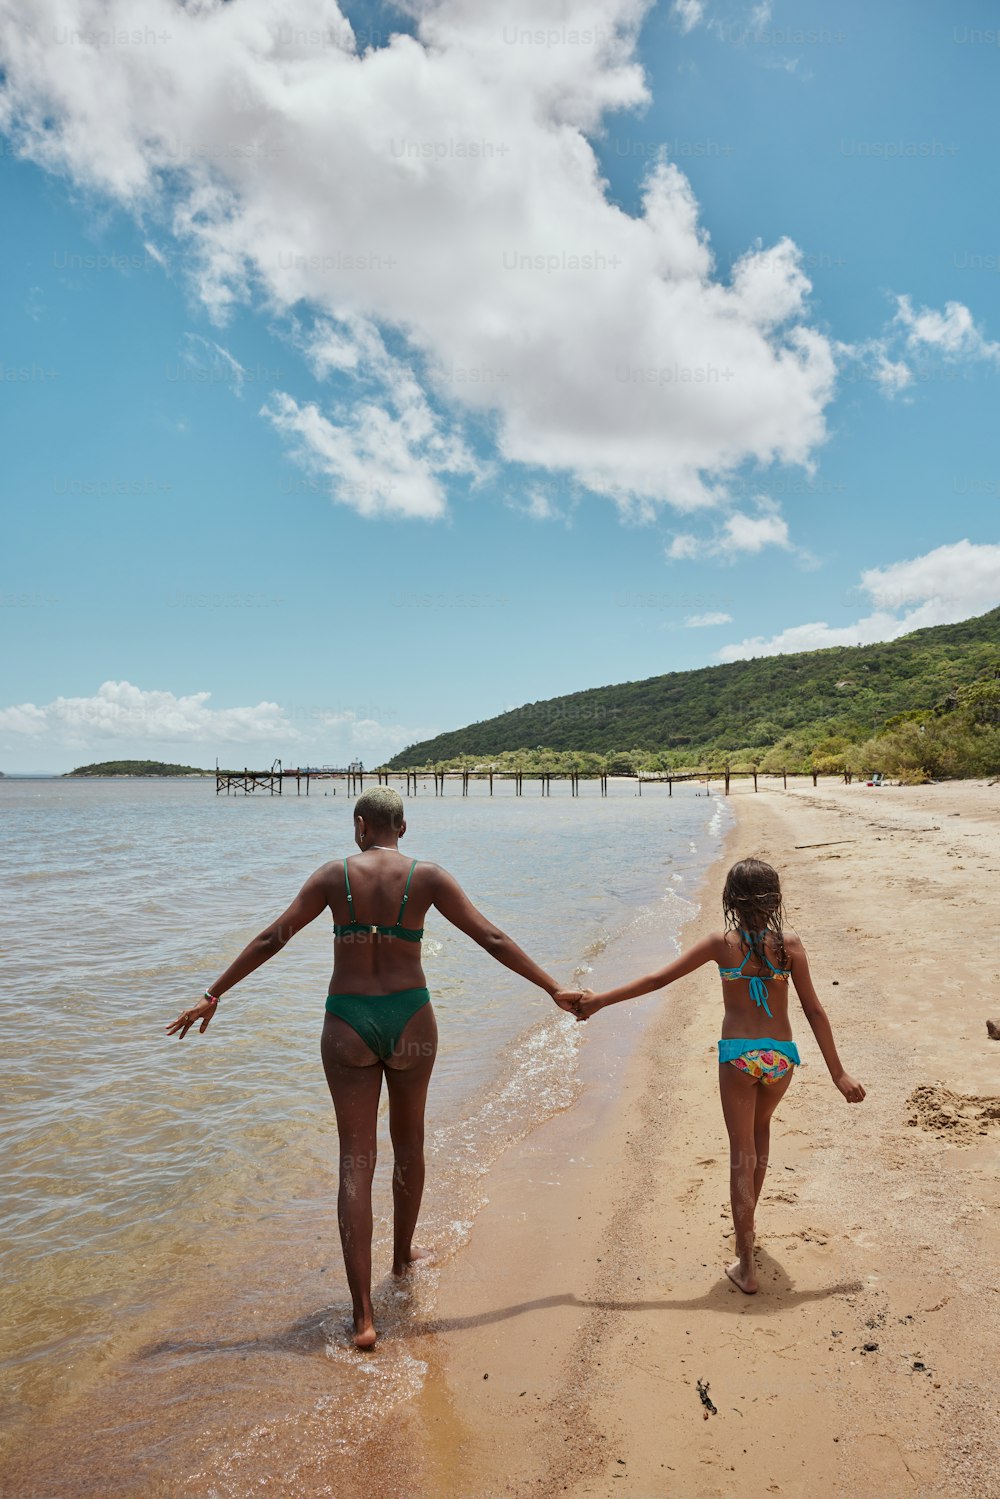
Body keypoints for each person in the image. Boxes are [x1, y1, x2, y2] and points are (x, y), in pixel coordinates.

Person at [167, 788, 580, 1347]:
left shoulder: (332, 877)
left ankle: (362, 1318)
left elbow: (273, 937)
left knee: (354, 1163)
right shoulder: (427, 877)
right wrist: (553, 987)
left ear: (360, 825)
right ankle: (403, 1260)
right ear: (402, 829)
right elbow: (491, 936)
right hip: (410, 1019)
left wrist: (214, 993)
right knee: (409, 1144)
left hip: (348, 1023)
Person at [573, 858, 865, 1294]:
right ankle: (749, 1230)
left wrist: (599, 1001)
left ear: (729, 899)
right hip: (781, 1058)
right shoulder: (789, 945)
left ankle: (746, 1263)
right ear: (775, 900)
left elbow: (656, 981)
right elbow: (814, 1009)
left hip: (738, 1058)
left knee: (740, 1153)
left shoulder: (720, 944)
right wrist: (837, 1073)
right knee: (761, 1134)